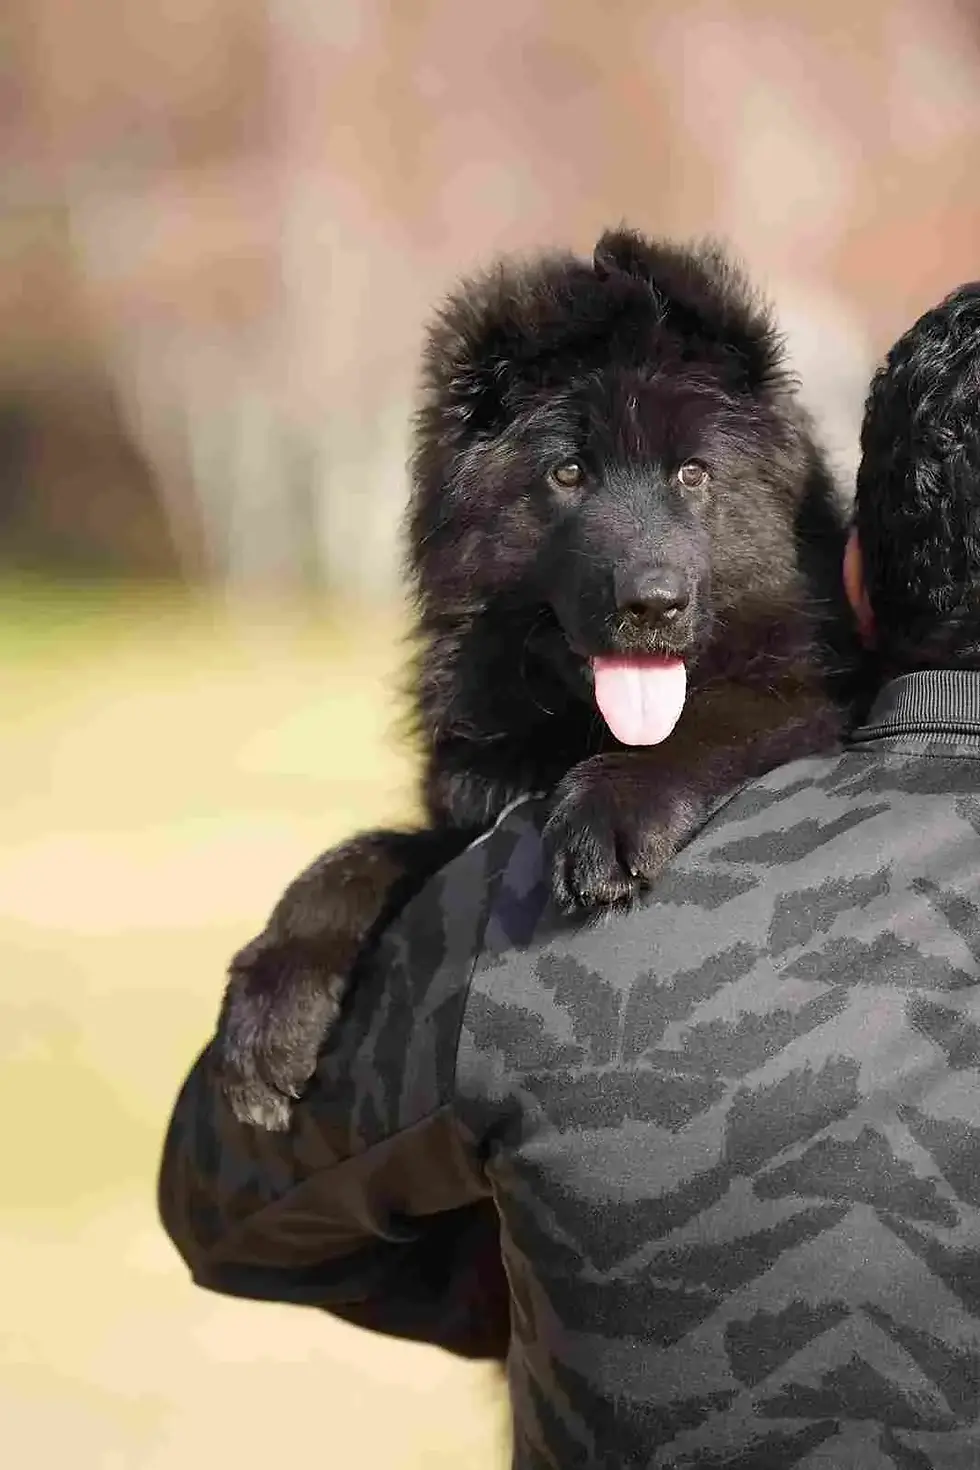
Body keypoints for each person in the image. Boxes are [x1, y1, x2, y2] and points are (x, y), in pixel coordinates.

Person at [159, 285, 980, 1468]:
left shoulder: (519, 930)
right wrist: (360, 891)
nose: (647, 562)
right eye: (569, 478)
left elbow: (224, 1205)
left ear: (850, 567)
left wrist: (547, 1271)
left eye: (690, 480)